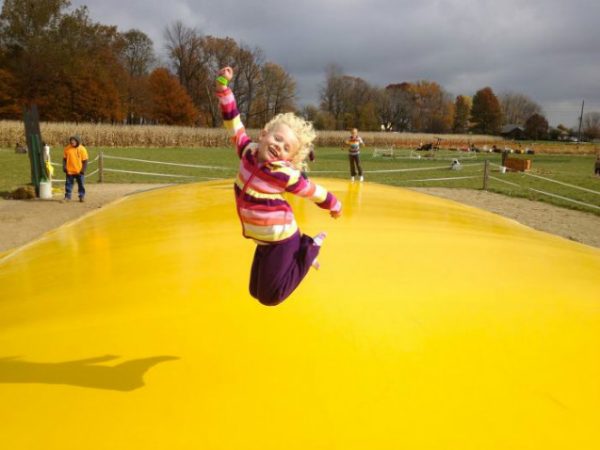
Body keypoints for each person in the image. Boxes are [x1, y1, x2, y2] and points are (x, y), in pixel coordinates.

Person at [215, 66, 342, 306]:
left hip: (282, 239)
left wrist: (334, 204)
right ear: (263, 134)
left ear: (289, 159)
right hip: (263, 240)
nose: (279, 146)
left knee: (270, 297)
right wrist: (224, 88)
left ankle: (308, 249)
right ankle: (301, 252)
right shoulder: (247, 151)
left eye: (286, 149)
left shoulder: (283, 174)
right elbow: (233, 123)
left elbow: (312, 191)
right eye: (277, 138)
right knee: (255, 291)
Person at [63, 135, 89, 202]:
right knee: (68, 185)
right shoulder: (67, 149)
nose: (72, 142)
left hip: (79, 171)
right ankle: (67, 197)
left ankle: (81, 196)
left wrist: (83, 170)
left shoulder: (82, 149)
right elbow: (64, 159)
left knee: (81, 185)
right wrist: (64, 167)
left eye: (74, 141)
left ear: (77, 141)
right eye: (71, 140)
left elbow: (85, 161)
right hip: (69, 171)